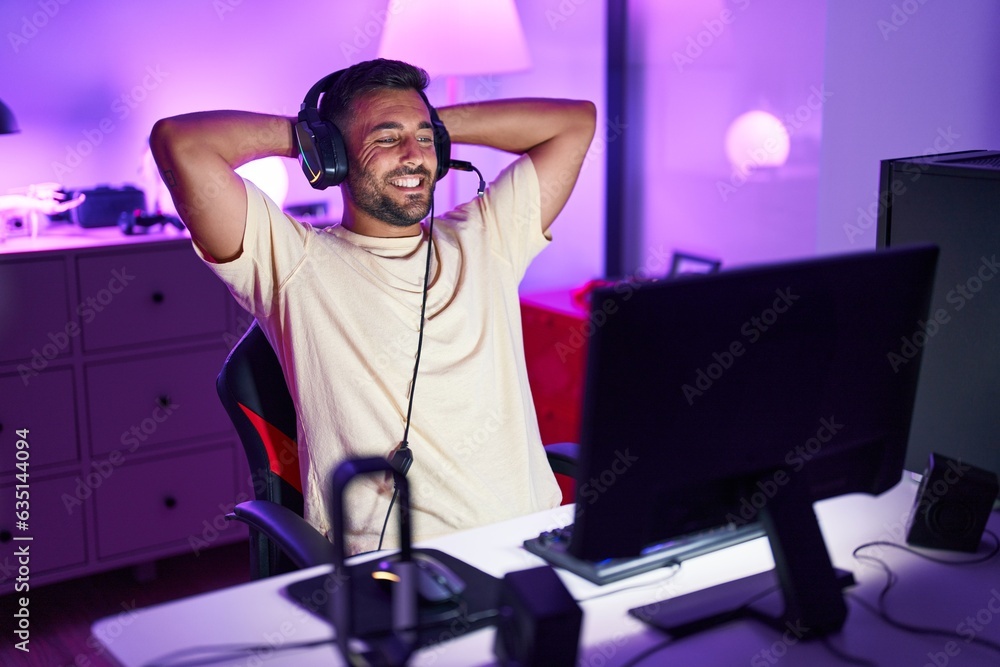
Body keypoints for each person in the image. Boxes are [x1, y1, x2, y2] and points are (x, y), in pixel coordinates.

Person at [150, 58, 596, 555]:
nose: (414, 156)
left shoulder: (489, 236)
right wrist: (316, 136)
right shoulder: (290, 264)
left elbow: (575, 121)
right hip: (401, 568)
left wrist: (431, 124)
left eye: (424, 139)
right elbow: (179, 142)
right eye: (386, 138)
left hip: (533, 545)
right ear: (334, 156)